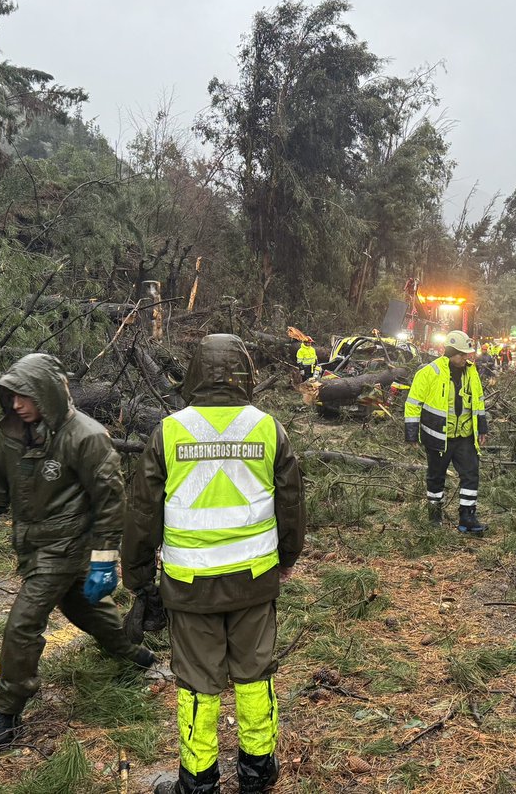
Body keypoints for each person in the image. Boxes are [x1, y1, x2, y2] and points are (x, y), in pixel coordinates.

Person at [124, 334, 306, 794]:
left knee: (197, 683)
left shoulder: (169, 432)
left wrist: (139, 578)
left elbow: (142, 512)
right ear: (247, 372)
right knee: (254, 673)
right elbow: (290, 503)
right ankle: (257, 771)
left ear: (195, 374)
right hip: (254, 580)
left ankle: (199, 781)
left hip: (190, 584)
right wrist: (287, 559)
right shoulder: (268, 429)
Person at [0, 353, 156, 755]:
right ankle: (132, 653)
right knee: (81, 608)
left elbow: (110, 501)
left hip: (67, 547)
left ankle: (7, 715)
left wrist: (104, 560)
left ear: (46, 394)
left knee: (22, 626)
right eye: (11, 396)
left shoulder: (86, 436)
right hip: (35, 546)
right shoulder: (14, 434)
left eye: (24, 396)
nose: (16, 404)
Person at [404, 330, 489, 533]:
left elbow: (478, 402)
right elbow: (413, 404)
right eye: (461, 354)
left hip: (465, 436)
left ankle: (467, 516)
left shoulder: (472, 372)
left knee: (471, 475)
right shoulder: (429, 372)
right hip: (438, 436)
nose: (466, 357)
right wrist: (411, 433)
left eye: (467, 354)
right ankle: (434, 516)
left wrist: (482, 428)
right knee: (436, 477)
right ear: (451, 353)